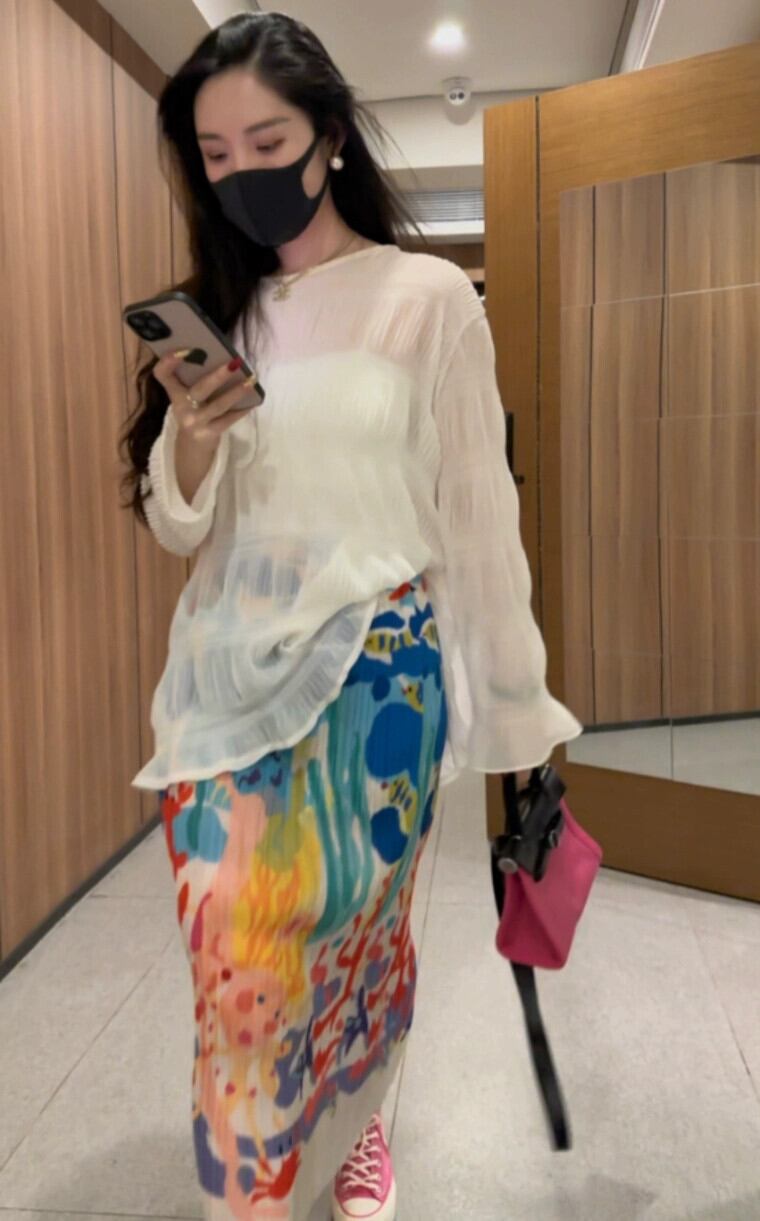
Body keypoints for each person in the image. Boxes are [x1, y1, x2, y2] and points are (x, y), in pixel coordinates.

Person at [118, 11, 582, 1221]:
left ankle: (359, 1122)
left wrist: (517, 721)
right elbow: (176, 527)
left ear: (329, 137)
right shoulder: (219, 317)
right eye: (215, 155)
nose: (241, 174)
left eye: (266, 142)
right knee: (239, 967)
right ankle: (253, 1189)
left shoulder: (426, 299)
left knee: (357, 941)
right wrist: (190, 437)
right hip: (221, 688)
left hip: (381, 683)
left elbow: (476, 519)